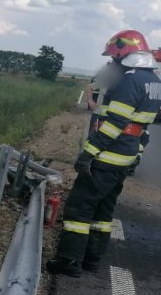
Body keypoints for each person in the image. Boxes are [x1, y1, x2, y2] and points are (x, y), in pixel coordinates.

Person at [46, 30, 161, 277]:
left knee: (79, 208)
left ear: (124, 51)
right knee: (103, 211)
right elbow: (142, 128)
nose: (113, 62)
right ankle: (92, 260)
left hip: (107, 157)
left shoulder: (131, 80)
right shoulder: (153, 81)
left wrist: (89, 152)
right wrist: (137, 155)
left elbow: (116, 123)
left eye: (115, 57)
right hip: (125, 158)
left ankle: (68, 262)